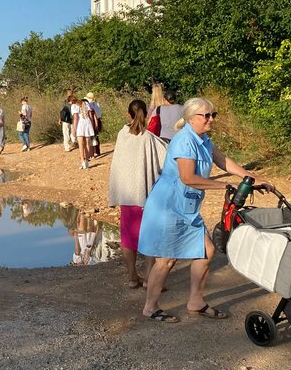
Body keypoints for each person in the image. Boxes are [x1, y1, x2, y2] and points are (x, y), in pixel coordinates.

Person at [138, 97, 272, 323]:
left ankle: (196, 301)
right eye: (206, 115)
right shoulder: (184, 140)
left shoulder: (203, 139)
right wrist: (225, 186)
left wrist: (252, 178)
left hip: (187, 206)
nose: (211, 119)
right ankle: (150, 308)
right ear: (191, 118)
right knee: (166, 259)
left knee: (206, 250)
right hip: (168, 206)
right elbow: (187, 177)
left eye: (213, 115)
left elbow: (223, 160)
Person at [108, 99, 167, 288]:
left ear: (128, 114)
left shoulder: (121, 134)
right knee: (151, 237)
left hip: (126, 195)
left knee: (128, 238)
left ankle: (132, 278)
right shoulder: (148, 138)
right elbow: (164, 160)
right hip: (145, 195)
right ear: (146, 115)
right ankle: (149, 279)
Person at [72, 96, 96, 170]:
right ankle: (86, 161)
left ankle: (83, 162)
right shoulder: (85, 103)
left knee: (81, 145)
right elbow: (90, 116)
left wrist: (74, 129)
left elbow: (76, 118)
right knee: (87, 144)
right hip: (87, 123)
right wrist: (92, 125)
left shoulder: (74, 106)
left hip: (80, 124)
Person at [85, 92, 103, 158]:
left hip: (93, 120)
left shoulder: (90, 105)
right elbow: (99, 114)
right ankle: (97, 151)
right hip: (98, 120)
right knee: (96, 136)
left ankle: (93, 152)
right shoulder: (97, 104)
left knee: (92, 136)